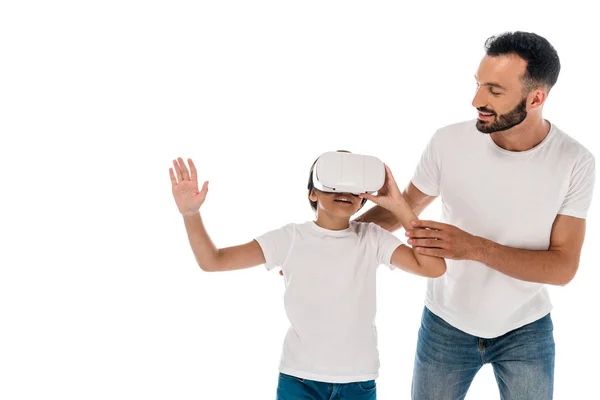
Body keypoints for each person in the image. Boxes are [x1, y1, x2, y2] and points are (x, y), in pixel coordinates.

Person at [356, 31, 596, 399]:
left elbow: (563, 268)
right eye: (479, 85)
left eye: (495, 91)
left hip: (525, 329)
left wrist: (474, 248)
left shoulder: (575, 162)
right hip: (445, 324)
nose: (476, 100)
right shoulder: (447, 142)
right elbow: (403, 207)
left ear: (536, 98)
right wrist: (323, 239)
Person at [169, 152, 446, 400]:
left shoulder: (372, 239)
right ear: (312, 193)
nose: (344, 190)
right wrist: (190, 214)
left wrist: (398, 205)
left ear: (363, 198)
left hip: (358, 382)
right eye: (333, 180)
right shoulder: (290, 239)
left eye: (353, 186)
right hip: (300, 380)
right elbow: (213, 261)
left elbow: (434, 268)